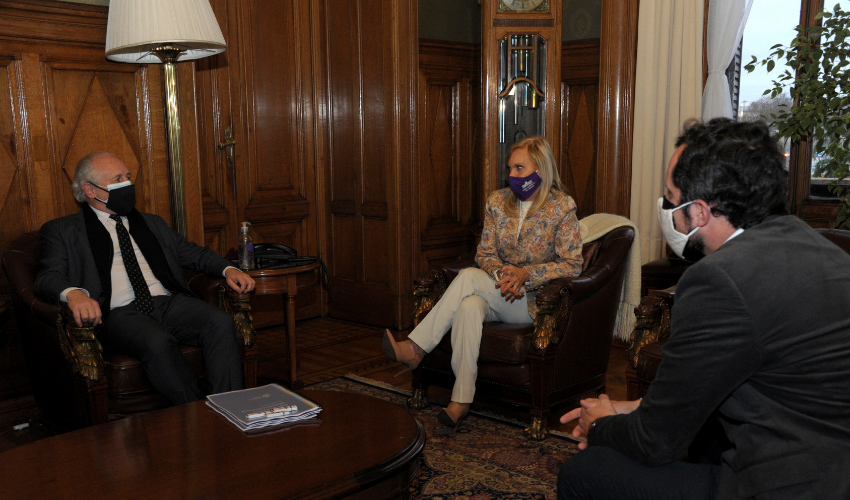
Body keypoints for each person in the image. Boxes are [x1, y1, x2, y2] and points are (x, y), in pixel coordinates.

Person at [558, 118, 850, 499]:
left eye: (669, 196)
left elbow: (654, 443)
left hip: (790, 484)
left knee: (586, 471)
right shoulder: (824, 251)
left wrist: (600, 425)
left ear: (697, 212)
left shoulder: (719, 279)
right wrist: (641, 409)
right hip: (831, 461)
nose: (664, 208)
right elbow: (768, 373)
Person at [383, 136, 583, 428]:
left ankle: (415, 348)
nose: (511, 175)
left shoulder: (561, 207)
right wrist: (503, 275)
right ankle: (461, 400)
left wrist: (527, 274)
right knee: (470, 306)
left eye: (519, 168)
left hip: (530, 302)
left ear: (540, 168)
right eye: (509, 169)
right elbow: (484, 253)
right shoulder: (497, 201)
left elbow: (572, 264)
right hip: (497, 290)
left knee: (467, 279)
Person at [35, 151, 256, 405]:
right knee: (157, 342)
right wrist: (73, 294)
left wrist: (229, 269)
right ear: (90, 190)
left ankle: (230, 407)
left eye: (128, 177)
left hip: (167, 302)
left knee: (220, 322)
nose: (127, 185)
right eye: (118, 179)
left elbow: (193, 253)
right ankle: (201, 414)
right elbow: (47, 276)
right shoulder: (62, 230)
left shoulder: (152, 223)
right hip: (119, 313)